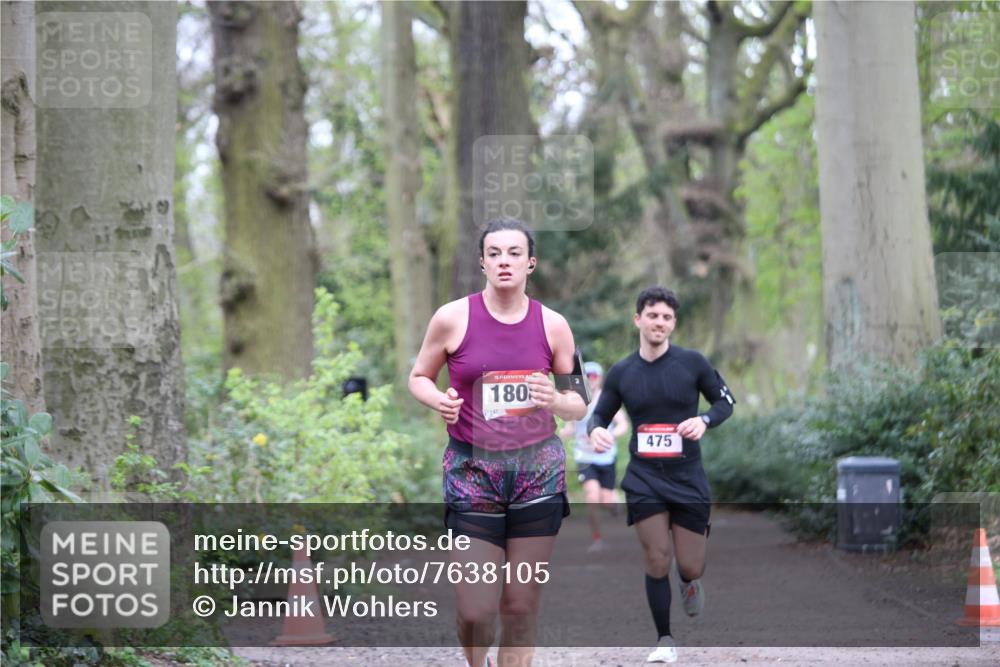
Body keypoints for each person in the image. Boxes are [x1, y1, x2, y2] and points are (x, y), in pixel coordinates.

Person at [408, 218, 587, 667]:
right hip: (472, 473)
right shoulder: (452, 318)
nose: (504, 261)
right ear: (482, 263)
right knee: (475, 612)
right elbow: (419, 377)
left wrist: (555, 400)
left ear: (530, 263)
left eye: (513, 253)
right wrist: (438, 400)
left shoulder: (554, 325)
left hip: (537, 474)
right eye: (494, 253)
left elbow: (579, 402)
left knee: (520, 606)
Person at [588, 287, 735, 663]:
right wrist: (597, 430)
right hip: (644, 478)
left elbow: (725, 401)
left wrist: (705, 420)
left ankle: (688, 581)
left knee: (690, 565)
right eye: (653, 315)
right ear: (638, 319)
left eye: (667, 317)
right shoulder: (622, 372)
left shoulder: (692, 363)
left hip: (687, 477)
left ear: (674, 323)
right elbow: (600, 414)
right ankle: (665, 640)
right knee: (656, 557)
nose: (660, 323)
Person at [559, 361, 629, 553]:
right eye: (586, 376)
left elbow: (623, 424)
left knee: (606, 500)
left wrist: (609, 435)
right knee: (592, 495)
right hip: (585, 457)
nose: (590, 379)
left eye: (594, 376)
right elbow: (570, 427)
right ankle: (597, 539)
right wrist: (560, 434)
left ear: (600, 379)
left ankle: (614, 503)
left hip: (606, 456)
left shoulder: (607, 399)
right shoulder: (576, 401)